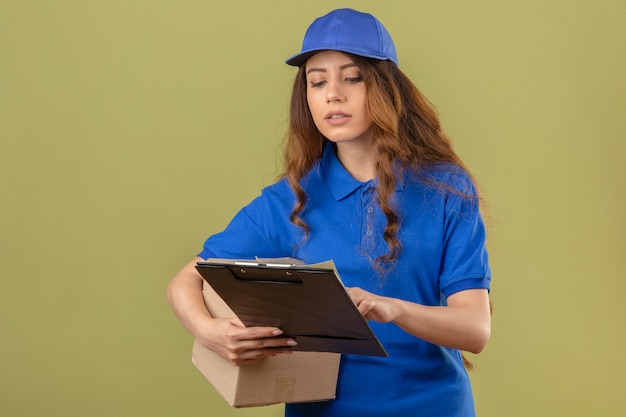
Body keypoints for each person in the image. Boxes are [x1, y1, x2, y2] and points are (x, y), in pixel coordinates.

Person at [167, 8, 491, 417]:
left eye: (352, 77)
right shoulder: (292, 198)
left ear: (387, 86)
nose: (332, 94)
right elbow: (185, 282)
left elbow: (475, 330)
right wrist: (210, 332)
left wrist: (394, 308)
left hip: (434, 406)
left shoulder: (446, 188)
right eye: (316, 81)